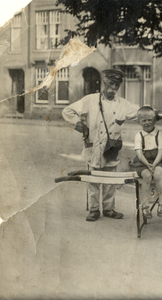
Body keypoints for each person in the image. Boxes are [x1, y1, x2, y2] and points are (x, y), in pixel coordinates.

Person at [62, 69, 138, 222]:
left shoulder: (123, 104)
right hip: (94, 147)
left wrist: (156, 113)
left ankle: (109, 209)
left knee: (111, 179)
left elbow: (140, 112)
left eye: (117, 85)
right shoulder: (90, 100)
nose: (114, 88)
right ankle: (94, 209)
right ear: (105, 83)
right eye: (111, 83)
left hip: (112, 148)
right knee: (94, 179)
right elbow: (67, 111)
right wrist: (79, 125)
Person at [132, 106, 162, 218]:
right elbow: (139, 154)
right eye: (144, 120)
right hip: (143, 162)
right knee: (146, 176)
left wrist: (155, 164)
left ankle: (161, 204)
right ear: (139, 121)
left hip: (157, 161)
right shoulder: (139, 136)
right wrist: (147, 165)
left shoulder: (159, 134)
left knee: (157, 174)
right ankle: (145, 205)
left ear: (154, 120)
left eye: (150, 120)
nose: (147, 123)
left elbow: (161, 151)